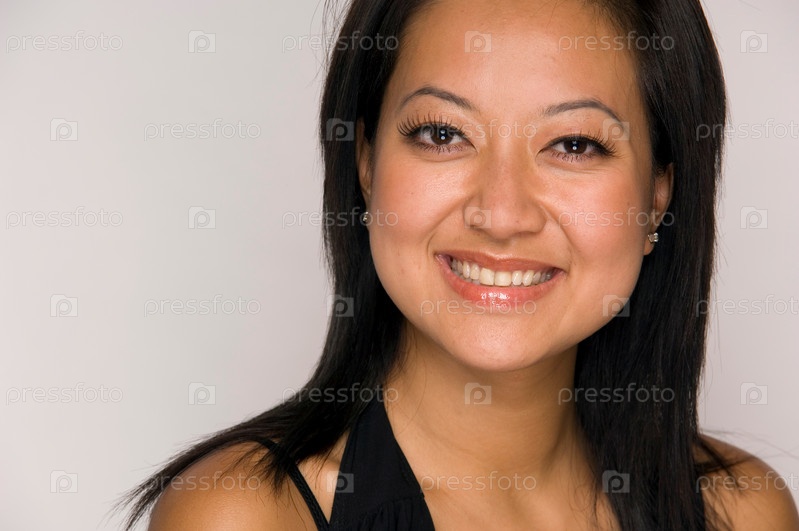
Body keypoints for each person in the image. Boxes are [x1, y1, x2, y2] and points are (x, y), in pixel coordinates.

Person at [120, 0, 799, 529]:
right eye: (442, 134)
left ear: (656, 198)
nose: (500, 214)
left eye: (573, 144)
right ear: (365, 165)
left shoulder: (741, 512)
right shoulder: (249, 514)